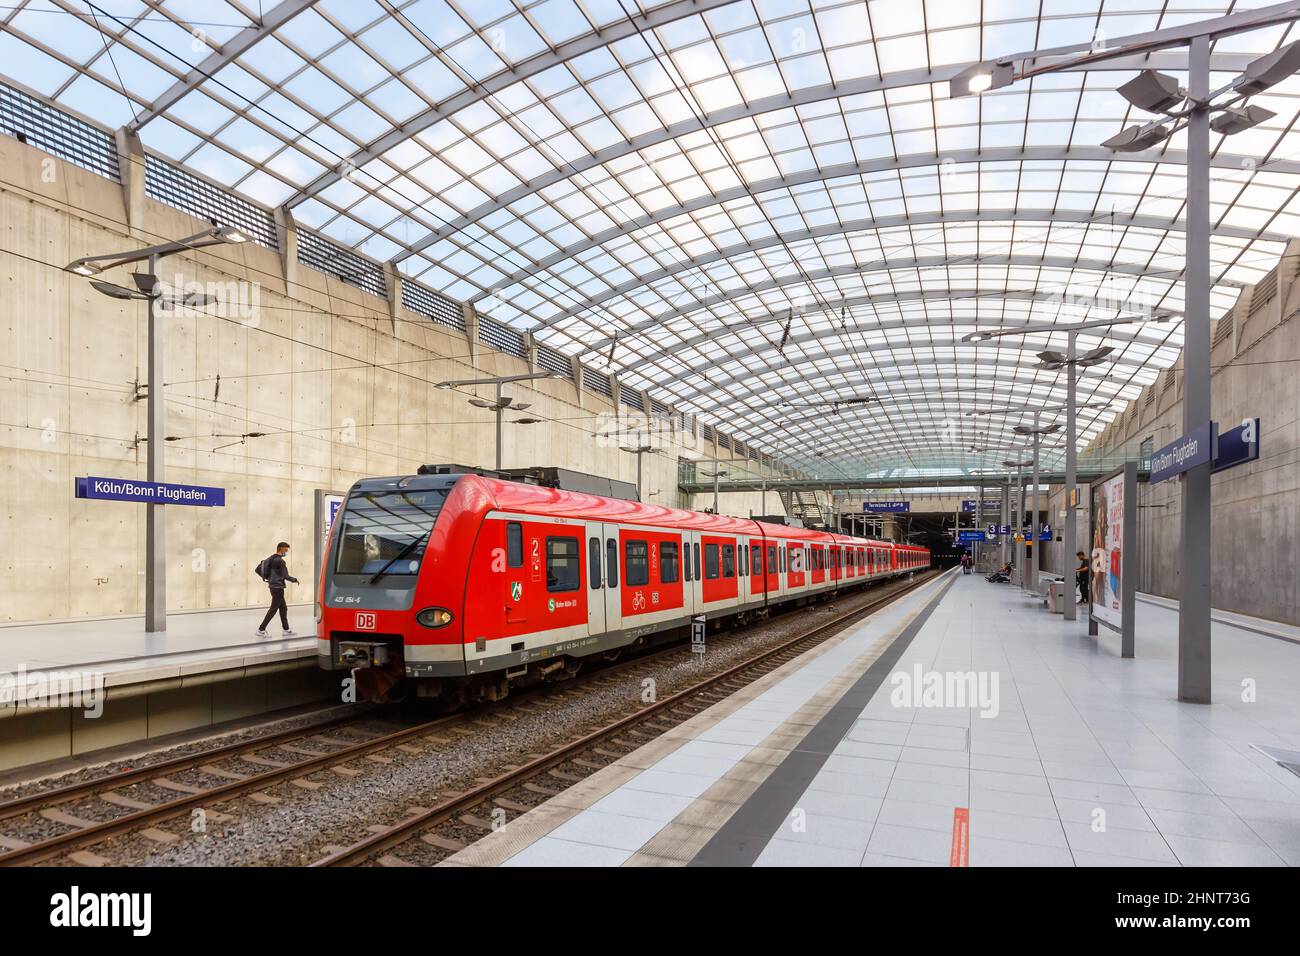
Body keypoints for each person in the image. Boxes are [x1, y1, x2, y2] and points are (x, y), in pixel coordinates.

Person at [256, 541, 299, 637]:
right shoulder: (280, 561)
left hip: (272, 585)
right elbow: (285, 575)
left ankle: (286, 629)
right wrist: (294, 580)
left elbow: (259, 569)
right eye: (286, 550)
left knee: (283, 608)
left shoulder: (271, 558)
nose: (286, 552)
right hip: (278, 587)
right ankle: (261, 629)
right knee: (274, 608)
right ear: (282, 549)